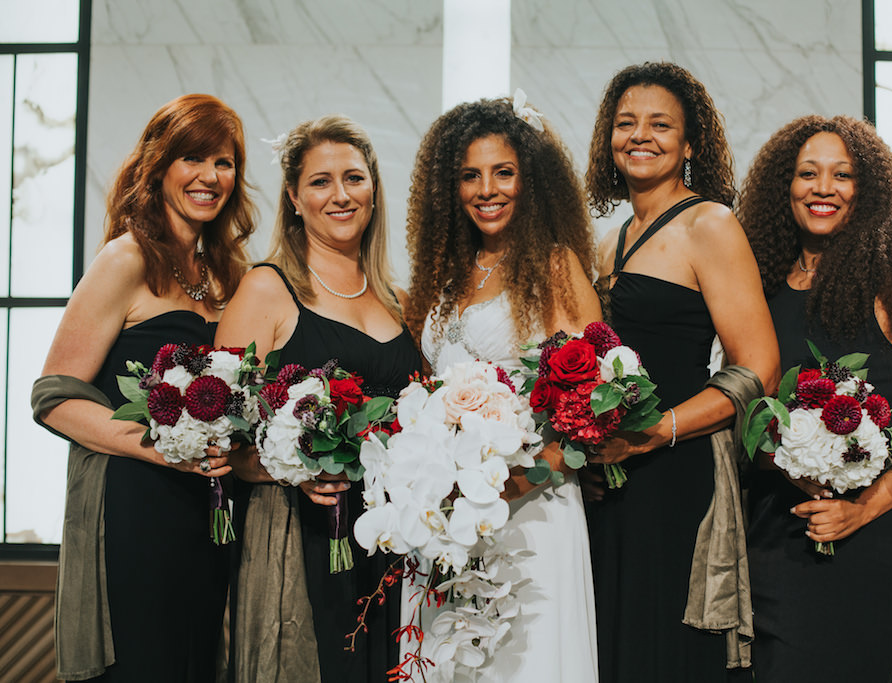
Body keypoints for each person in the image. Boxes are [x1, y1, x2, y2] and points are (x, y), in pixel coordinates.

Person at [736, 114, 892, 683]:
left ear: (867, 191)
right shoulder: (761, 288)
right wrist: (780, 457)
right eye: (807, 174)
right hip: (771, 531)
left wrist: (863, 509)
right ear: (783, 187)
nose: (823, 188)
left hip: (870, 538)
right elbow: (750, 405)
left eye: (842, 175)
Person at [31, 94, 255, 681]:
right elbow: (53, 396)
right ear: (158, 166)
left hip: (208, 512)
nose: (210, 176)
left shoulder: (225, 273)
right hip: (135, 506)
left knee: (194, 660)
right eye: (193, 158)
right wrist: (155, 448)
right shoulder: (125, 259)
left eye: (225, 162)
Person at [583, 62, 779, 682]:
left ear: (690, 143)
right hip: (611, 474)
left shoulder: (710, 224)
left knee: (666, 646)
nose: (640, 136)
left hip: (679, 468)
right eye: (625, 123)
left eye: (660, 124)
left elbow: (760, 368)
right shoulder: (607, 241)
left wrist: (657, 430)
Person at [404, 94, 602, 682]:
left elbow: (587, 409)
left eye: (503, 172)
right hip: (446, 516)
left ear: (531, 180)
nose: (487, 189)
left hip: (529, 505)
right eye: (469, 175)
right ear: (449, 188)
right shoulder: (442, 274)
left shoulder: (555, 266)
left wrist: (513, 485)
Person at [215, 114, 420, 682]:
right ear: (293, 197)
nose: (340, 195)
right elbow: (220, 438)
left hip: (393, 533)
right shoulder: (267, 287)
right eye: (320, 182)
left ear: (374, 189)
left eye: (354, 178)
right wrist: (290, 469)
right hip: (302, 530)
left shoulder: (398, 300)